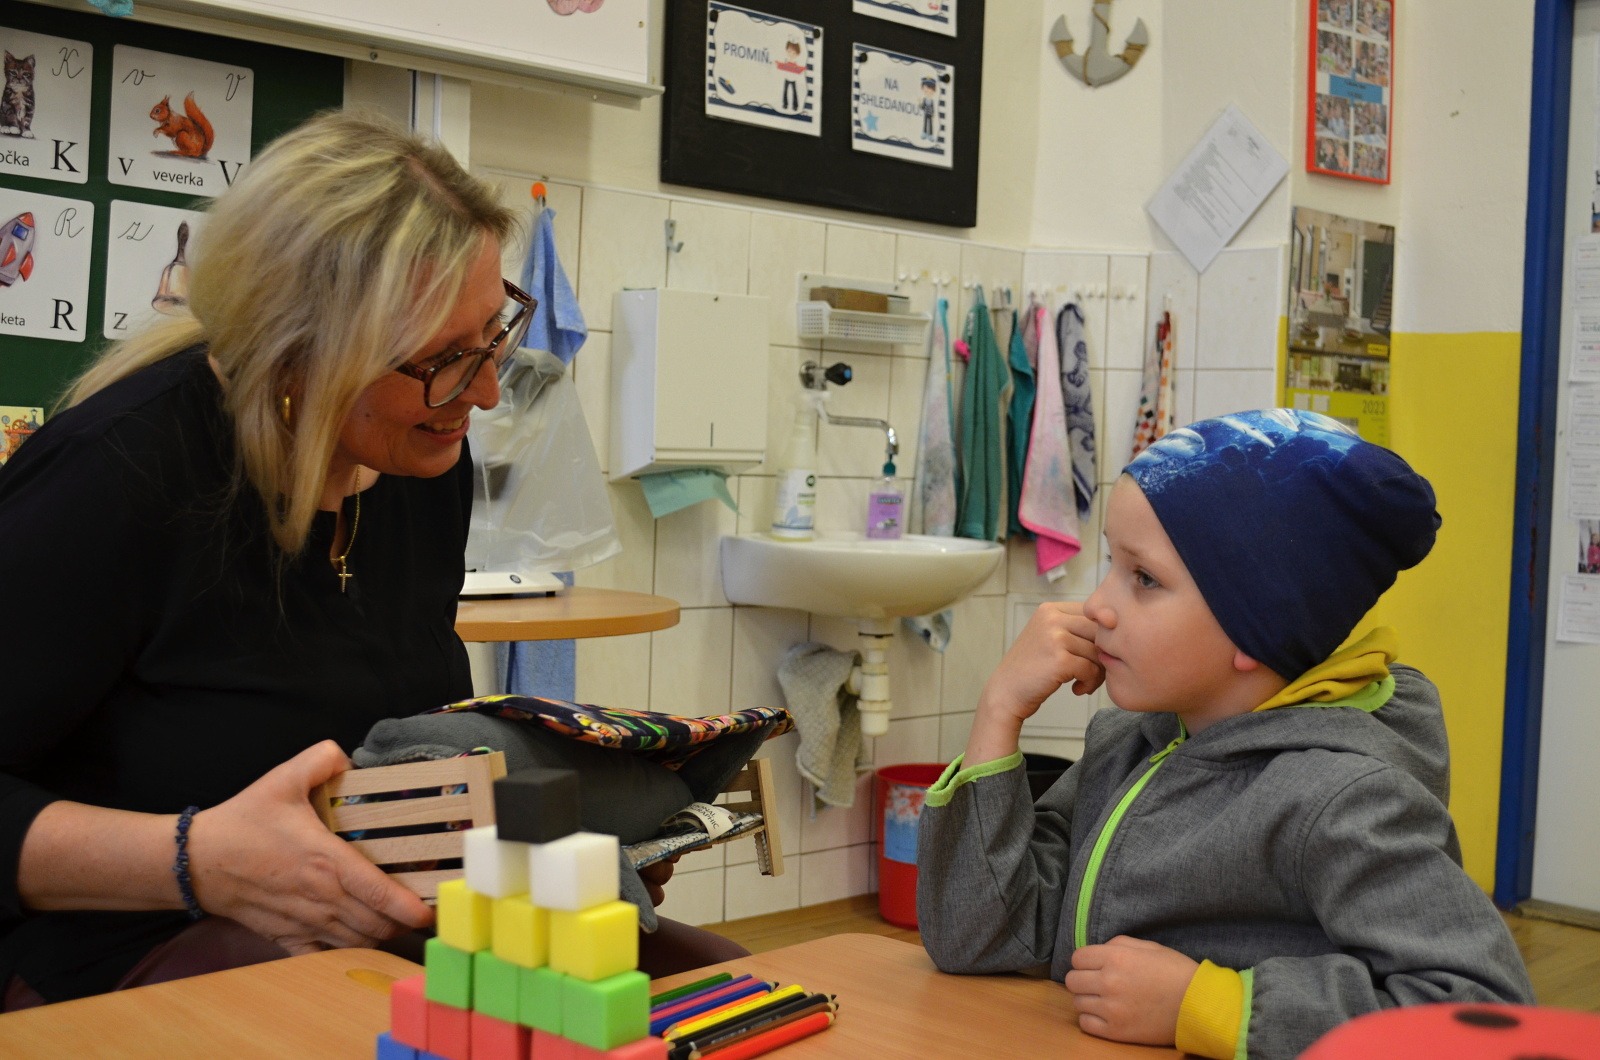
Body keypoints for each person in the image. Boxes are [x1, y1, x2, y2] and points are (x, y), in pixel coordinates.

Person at [0, 109, 743, 1010]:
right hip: (127, 953)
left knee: (713, 990)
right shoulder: (115, 476)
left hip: (372, 922)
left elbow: (404, 753)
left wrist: (572, 839)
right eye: (443, 360)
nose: (485, 391)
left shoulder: (418, 462)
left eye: (493, 333)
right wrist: (195, 860)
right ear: (296, 356)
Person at [916, 410, 1534, 1058]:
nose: (1097, 605)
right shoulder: (1132, 744)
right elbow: (976, 937)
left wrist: (1215, 1007)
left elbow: (1484, 1017)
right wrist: (999, 712)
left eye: (1144, 579)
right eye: (1112, 564)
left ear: (1256, 626)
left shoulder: (1346, 800)